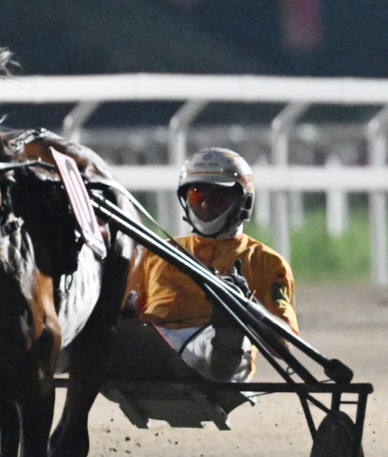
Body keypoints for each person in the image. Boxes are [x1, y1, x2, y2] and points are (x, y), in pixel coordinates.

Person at [124, 147, 296, 383]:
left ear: (243, 201)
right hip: (156, 342)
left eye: (219, 197)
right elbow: (132, 312)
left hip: (216, 348)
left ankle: (228, 329)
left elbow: (283, 346)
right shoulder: (154, 252)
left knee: (221, 335)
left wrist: (246, 305)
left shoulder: (267, 262)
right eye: (197, 195)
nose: (205, 205)